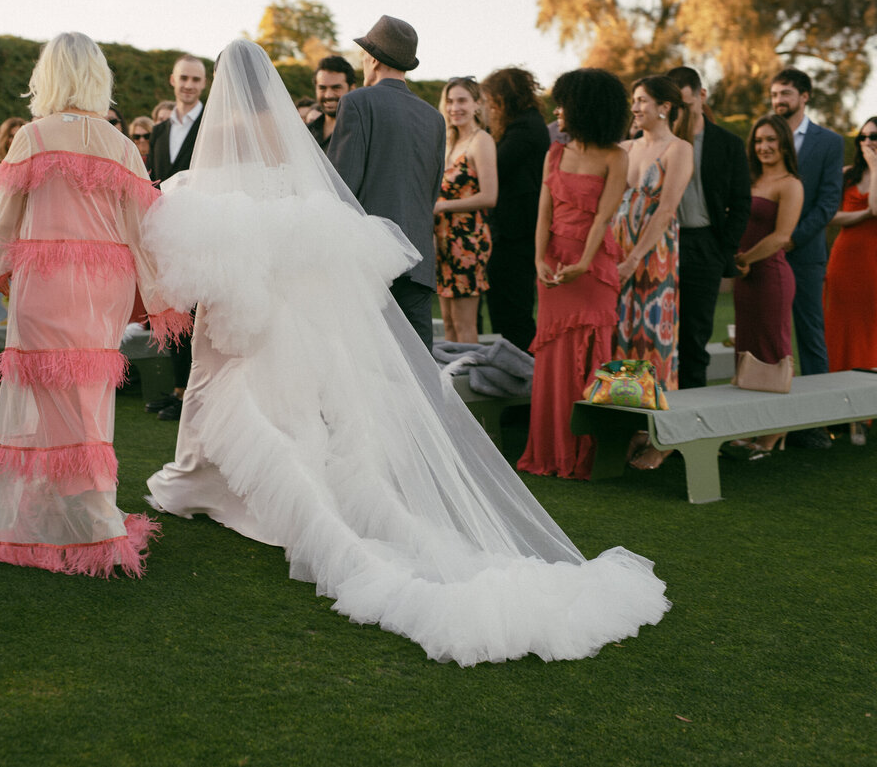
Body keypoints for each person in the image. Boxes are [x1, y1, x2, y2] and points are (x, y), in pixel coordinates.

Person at [144, 39, 668, 665]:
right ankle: (215, 483)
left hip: (260, 287)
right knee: (341, 397)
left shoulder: (250, 126)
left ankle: (206, 486)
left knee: (242, 394)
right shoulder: (417, 114)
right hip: (369, 259)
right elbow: (326, 192)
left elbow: (329, 184)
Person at [0, 32, 185, 576]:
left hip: (42, 286)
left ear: (46, 76)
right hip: (101, 290)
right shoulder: (120, 145)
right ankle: (87, 510)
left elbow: (2, 218)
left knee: (47, 398)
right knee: (87, 400)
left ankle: (80, 513)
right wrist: (158, 292)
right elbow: (144, 228)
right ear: (99, 78)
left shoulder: (32, 136)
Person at [517, 69, 629, 480]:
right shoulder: (554, 153)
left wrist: (583, 262)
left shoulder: (617, 156)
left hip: (593, 267)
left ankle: (586, 453)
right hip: (553, 265)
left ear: (585, 108)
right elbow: (543, 212)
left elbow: (604, 216)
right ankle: (549, 451)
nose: (557, 110)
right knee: (553, 358)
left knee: (591, 354)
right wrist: (538, 260)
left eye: (564, 103)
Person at [328, 15, 446, 351]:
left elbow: (342, 187)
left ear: (374, 59)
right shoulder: (433, 118)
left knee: (366, 369)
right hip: (419, 261)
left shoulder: (357, 102)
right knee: (419, 374)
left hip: (370, 263)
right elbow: (432, 189)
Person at [611, 76, 693, 469]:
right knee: (623, 337)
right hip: (617, 251)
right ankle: (630, 427)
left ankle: (662, 438)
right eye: (634, 101)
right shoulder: (624, 147)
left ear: (664, 107)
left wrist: (633, 260)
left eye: (642, 100)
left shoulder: (679, 149)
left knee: (653, 340)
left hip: (654, 256)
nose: (635, 107)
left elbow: (666, 210)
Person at [769, 68, 844, 450]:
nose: (778, 100)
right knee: (768, 337)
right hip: (766, 257)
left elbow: (829, 201)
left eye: (784, 93)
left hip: (806, 255)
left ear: (805, 96)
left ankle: (817, 423)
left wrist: (791, 239)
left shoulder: (828, 143)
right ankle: (769, 422)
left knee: (811, 337)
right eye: (774, 94)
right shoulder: (764, 136)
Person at [665, 66, 752, 389]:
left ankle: (689, 428)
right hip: (660, 246)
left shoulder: (727, 144)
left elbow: (742, 202)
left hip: (704, 245)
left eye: (686, 105)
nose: (680, 113)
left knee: (693, 338)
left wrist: (722, 250)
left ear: (702, 96)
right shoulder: (655, 142)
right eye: (673, 107)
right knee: (656, 337)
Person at [725, 115, 803, 459]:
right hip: (746, 280)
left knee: (772, 355)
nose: (764, 147)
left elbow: (782, 237)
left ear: (784, 142)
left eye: (771, 140)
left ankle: (774, 433)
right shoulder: (749, 179)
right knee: (745, 352)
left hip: (771, 277)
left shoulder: (790, 184)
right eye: (758, 141)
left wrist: (745, 259)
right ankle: (748, 426)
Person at [145, 54, 208, 422]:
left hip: (198, 230)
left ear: (204, 84)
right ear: (173, 79)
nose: (188, 85)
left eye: (196, 80)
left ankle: (193, 393)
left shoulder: (209, 126)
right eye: (183, 78)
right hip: (166, 230)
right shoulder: (158, 131)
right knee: (172, 307)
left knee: (196, 310)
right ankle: (177, 390)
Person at [481, 67, 551, 353]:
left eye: (491, 102)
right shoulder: (521, 126)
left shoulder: (525, 129)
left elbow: (493, 167)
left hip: (518, 234)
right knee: (503, 310)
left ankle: (524, 381)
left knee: (515, 313)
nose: (488, 108)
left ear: (504, 99)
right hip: (511, 233)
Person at [433, 76, 497, 343]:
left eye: (461, 100)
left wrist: (443, 206)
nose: (454, 107)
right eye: (449, 101)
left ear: (476, 105)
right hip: (442, 240)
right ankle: (451, 384)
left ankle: (471, 382)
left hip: (467, 241)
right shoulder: (448, 142)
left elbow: (489, 196)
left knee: (464, 325)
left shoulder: (480, 140)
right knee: (447, 323)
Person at [825, 116, 877, 445]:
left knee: (870, 333)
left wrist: (875, 165)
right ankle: (835, 409)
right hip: (845, 259)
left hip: (874, 263)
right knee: (839, 329)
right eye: (865, 136)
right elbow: (830, 215)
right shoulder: (846, 175)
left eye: (876, 136)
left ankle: (865, 413)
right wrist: (864, 216)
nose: (870, 141)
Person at [307, 56, 355, 152]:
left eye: (336, 88)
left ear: (352, 89)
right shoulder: (307, 131)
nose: (328, 95)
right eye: (322, 88)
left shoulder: (361, 132)